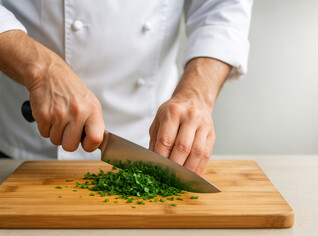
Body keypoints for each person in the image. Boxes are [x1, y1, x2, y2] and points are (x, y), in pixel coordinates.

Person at [0, 1, 252, 174]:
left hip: (151, 140)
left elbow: (223, 6)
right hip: (21, 150)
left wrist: (196, 93)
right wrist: (39, 68)